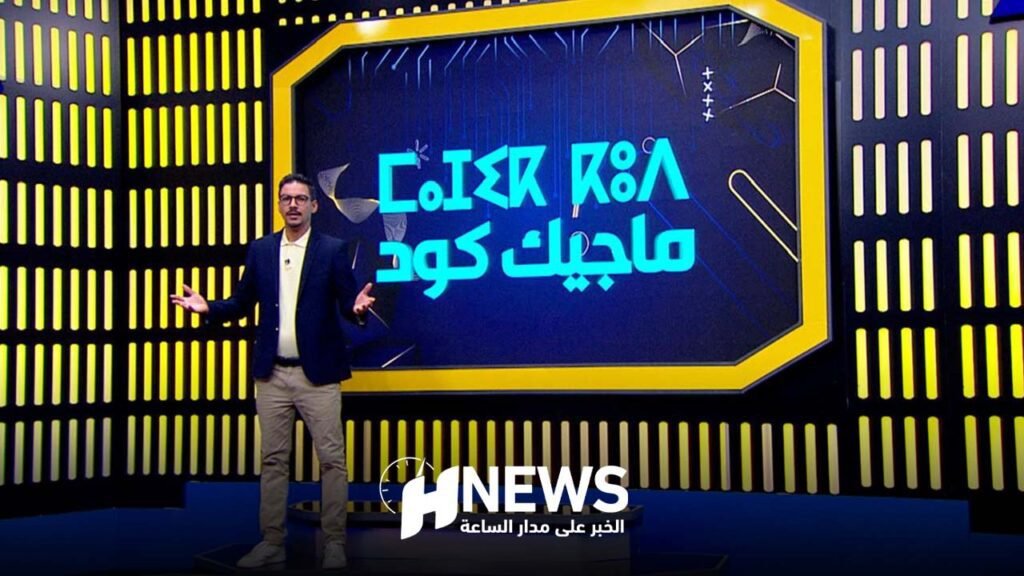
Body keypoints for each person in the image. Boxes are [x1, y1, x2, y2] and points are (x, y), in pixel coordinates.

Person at [171, 173, 375, 570]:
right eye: (286, 198)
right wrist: (209, 308)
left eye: (300, 198)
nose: (293, 205)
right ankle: (272, 543)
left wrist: (357, 309)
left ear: (314, 205)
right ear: (279, 205)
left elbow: (348, 304)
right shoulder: (261, 250)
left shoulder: (332, 249)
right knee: (273, 461)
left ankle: (334, 543)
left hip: (319, 376)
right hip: (272, 375)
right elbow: (241, 302)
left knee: (332, 461)